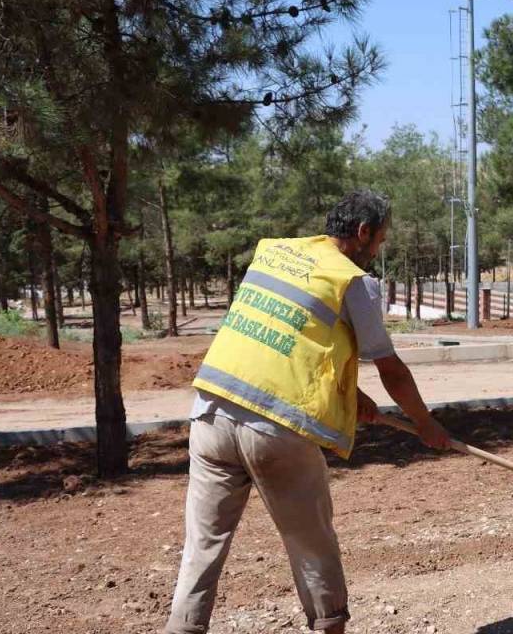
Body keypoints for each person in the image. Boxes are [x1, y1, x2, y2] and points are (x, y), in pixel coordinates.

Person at [164, 190, 451, 634]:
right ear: (363, 232)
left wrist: (348, 393)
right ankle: (328, 624)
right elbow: (391, 370)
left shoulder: (276, 253)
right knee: (311, 546)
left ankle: (182, 627)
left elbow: (286, 338)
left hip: (210, 415)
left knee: (201, 546)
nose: (378, 250)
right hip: (274, 428)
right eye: (380, 240)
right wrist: (425, 424)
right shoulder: (352, 280)